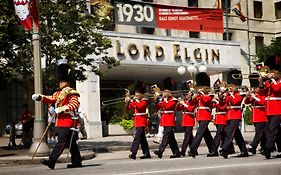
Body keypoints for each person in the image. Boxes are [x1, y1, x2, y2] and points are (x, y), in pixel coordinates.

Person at [32, 59, 82, 169]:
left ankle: (51, 160)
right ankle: (77, 161)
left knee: (61, 142)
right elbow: (51, 99)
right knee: (71, 143)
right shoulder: (58, 93)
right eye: (60, 81)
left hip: (68, 122)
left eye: (62, 81)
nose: (60, 83)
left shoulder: (72, 92)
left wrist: (63, 108)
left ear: (67, 82)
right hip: (61, 122)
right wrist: (40, 97)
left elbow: (74, 104)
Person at [154, 77, 181, 159]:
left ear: (170, 92)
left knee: (166, 135)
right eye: (164, 91)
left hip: (170, 118)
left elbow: (168, 106)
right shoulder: (164, 99)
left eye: (167, 91)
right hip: (165, 119)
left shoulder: (174, 99)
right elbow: (157, 107)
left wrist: (163, 99)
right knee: (171, 138)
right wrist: (156, 100)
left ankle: (160, 151)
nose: (165, 92)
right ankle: (176, 152)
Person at [220, 83, 249, 159]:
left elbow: (235, 101)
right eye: (230, 87)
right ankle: (244, 150)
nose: (230, 88)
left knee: (229, 133)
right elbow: (223, 104)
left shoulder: (239, 94)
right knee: (237, 134)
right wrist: (221, 96)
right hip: (229, 116)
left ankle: (225, 149)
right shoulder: (228, 95)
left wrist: (230, 94)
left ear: (236, 87)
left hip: (235, 115)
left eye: (232, 87)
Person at [125, 81, 151, 160]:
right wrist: (127, 102)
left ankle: (133, 153)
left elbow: (139, 107)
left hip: (142, 121)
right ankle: (146, 153)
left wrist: (133, 100)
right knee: (142, 138)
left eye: (138, 93)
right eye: (136, 93)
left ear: (142, 94)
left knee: (137, 137)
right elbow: (128, 109)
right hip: (137, 121)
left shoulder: (144, 100)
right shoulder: (136, 101)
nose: (136, 94)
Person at [262, 56, 281, 159]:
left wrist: (272, 79)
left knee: (272, 130)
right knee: (275, 131)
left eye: (273, 71)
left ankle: (267, 149)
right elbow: (262, 91)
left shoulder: (279, 82)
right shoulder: (270, 82)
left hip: (278, 109)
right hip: (269, 109)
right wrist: (261, 81)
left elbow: (277, 89)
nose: (271, 73)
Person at [188, 87, 215, 158]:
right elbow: (191, 103)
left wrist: (202, 94)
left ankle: (193, 149)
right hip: (200, 117)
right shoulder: (199, 96)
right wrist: (191, 97)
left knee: (199, 133)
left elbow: (206, 101)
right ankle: (213, 150)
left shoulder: (209, 96)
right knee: (206, 135)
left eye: (202, 89)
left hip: (205, 116)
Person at [245, 80, 267, 155]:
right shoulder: (255, 95)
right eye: (255, 88)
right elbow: (247, 102)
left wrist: (255, 97)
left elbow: (262, 102)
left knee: (259, 132)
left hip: (262, 116)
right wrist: (248, 97)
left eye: (257, 88)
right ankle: (264, 147)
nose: (256, 89)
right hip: (255, 117)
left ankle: (253, 146)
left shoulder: (263, 94)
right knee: (262, 133)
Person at [176, 90, 196, 157]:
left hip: (190, 120)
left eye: (188, 94)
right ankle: (194, 150)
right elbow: (178, 109)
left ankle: (183, 151)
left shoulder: (193, 102)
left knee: (187, 137)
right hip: (185, 121)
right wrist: (179, 103)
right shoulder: (185, 101)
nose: (187, 95)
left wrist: (184, 104)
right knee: (190, 137)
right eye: (187, 94)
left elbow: (190, 109)